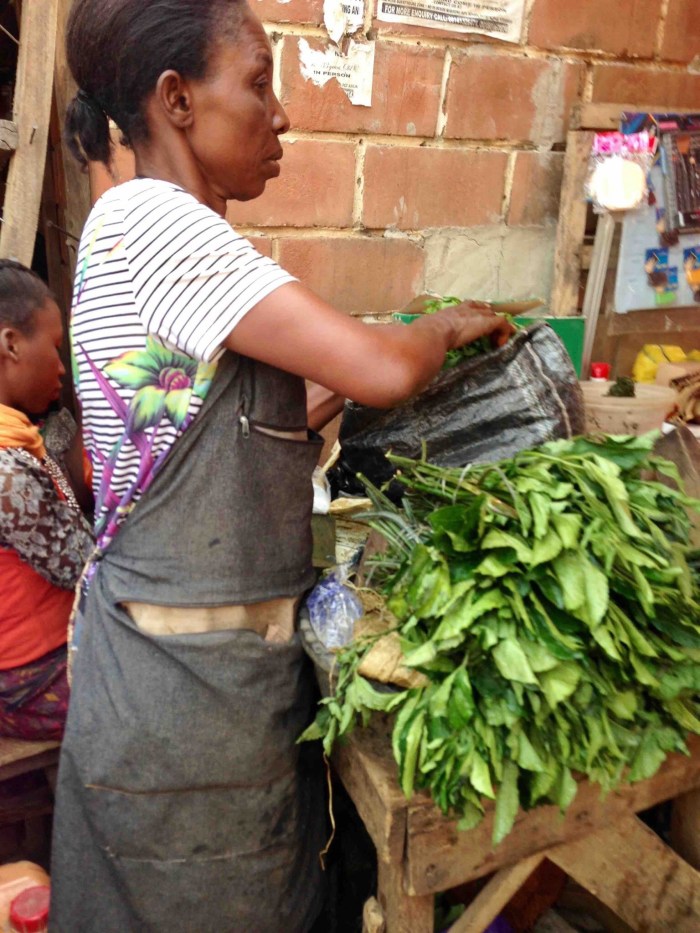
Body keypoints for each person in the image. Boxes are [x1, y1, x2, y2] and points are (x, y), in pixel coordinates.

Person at [52, 1, 514, 929]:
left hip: (196, 679)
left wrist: (350, 384)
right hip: (185, 700)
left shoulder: (139, 232)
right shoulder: (154, 221)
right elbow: (382, 368)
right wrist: (443, 326)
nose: (282, 115)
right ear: (177, 100)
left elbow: (215, 430)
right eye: (258, 83)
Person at [0, 260, 93, 742]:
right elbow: (85, 568)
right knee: (160, 688)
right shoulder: (6, 473)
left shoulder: (19, 439)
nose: (63, 368)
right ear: (11, 344)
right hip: (23, 681)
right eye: (56, 349)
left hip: (32, 664)